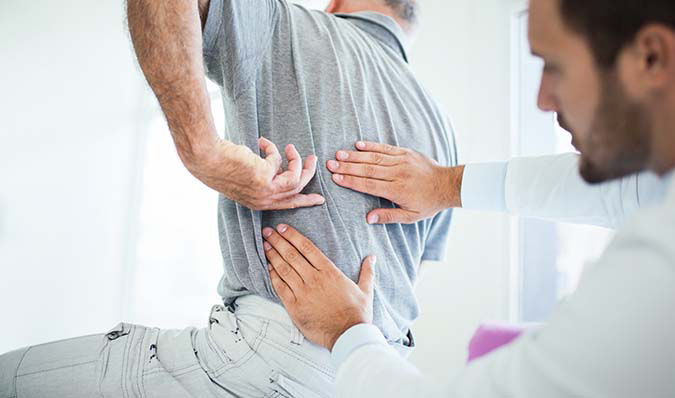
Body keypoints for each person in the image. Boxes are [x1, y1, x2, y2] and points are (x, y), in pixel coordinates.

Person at [0, 0, 461, 397]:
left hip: (275, 358)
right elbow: (403, 279)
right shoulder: (443, 135)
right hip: (372, 372)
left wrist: (204, 152)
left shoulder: (292, 24)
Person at [260, 0, 675, 396]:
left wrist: (347, 331)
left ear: (651, 56)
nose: (542, 100)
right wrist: (444, 185)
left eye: (554, 65)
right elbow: (625, 192)